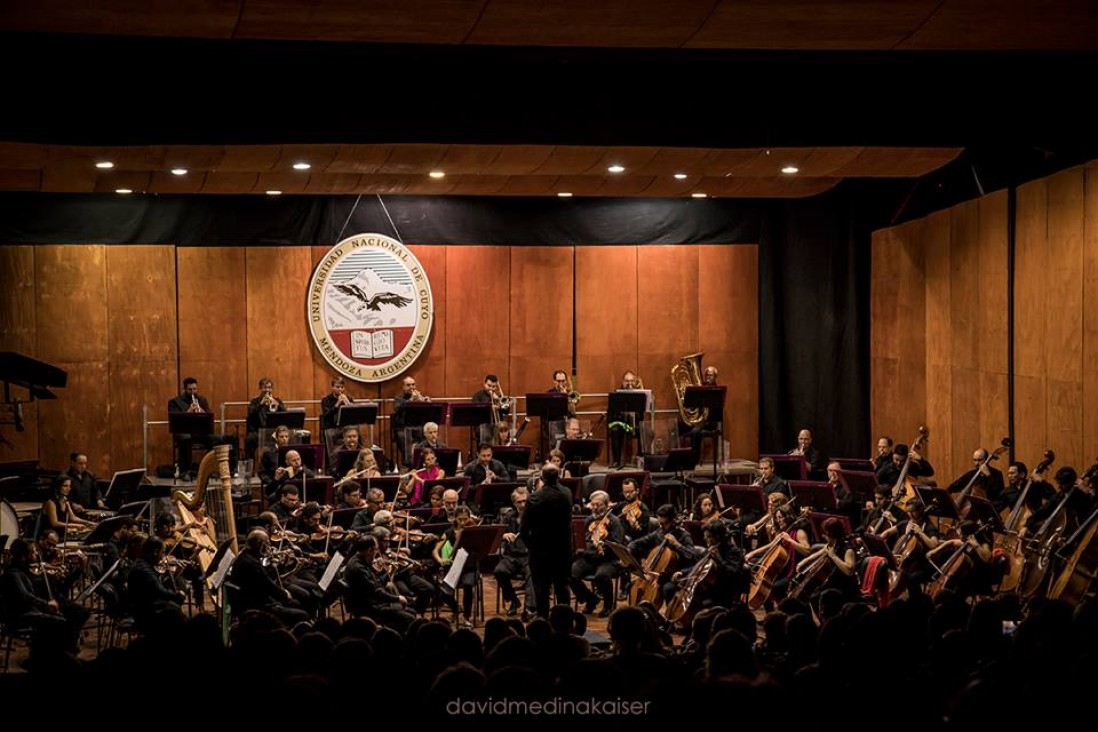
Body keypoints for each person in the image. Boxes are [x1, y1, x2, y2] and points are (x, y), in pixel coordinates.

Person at [1, 538, 90, 657]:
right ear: (23, 557)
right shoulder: (14, 574)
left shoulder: (26, 570)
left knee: (72, 615)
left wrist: (74, 571)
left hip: (33, 609)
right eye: (33, 552)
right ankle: (55, 654)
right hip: (21, 614)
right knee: (60, 622)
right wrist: (46, 604)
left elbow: (58, 586)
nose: (37, 554)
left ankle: (61, 651)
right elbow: (25, 596)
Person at [520, 462, 573, 618]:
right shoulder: (567, 493)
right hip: (563, 551)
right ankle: (564, 621)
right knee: (562, 588)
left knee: (541, 590)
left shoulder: (535, 498)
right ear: (558, 476)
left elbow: (523, 529)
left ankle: (543, 622)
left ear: (542, 478)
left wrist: (531, 547)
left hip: (540, 553)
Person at [228, 529, 312, 626]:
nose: (269, 548)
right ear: (260, 544)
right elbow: (270, 587)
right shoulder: (253, 565)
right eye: (267, 544)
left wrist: (279, 566)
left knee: (296, 602)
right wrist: (285, 594)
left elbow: (264, 580)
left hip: (250, 602)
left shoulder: (243, 556)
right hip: (258, 608)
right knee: (302, 614)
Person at [628, 503, 696, 606]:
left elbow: (692, 556)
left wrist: (677, 545)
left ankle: (669, 617)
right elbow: (636, 543)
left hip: (675, 575)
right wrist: (630, 549)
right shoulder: (659, 533)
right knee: (632, 584)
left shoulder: (684, 536)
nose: (661, 527)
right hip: (656, 575)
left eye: (664, 524)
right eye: (660, 523)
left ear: (673, 521)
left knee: (667, 588)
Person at [343, 535, 415, 631]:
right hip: (367, 607)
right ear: (369, 550)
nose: (377, 553)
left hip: (372, 601)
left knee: (411, 611)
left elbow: (376, 583)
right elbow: (376, 592)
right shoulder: (358, 568)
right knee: (409, 618)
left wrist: (390, 572)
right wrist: (397, 598)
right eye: (376, 549)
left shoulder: (361, 561)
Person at [571, 490, 624, 617]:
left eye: (598, 505)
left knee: (602, 575)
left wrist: (604, 545)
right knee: (571, 574)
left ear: (606, 505)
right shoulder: (589, 520)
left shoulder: (614, 521)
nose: (595, 508)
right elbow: (581, 539)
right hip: (589, 557)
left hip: (608, 559)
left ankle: (608, 606)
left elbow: (617, 545)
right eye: (593, 504)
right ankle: (591, 599)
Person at [167, 376, 235, 476]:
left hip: (200, 432)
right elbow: (176, 420)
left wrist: (201, 411)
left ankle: (214, 469)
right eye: (190, 390)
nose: (193, 392)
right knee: (185, 439)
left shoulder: (202, 400)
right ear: (184, 390)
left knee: (220, 439)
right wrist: (189, 411)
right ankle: (185, 471)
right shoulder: (174, 402)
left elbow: (208, 416)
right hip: (184, 433)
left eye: (195, 389)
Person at [432, 505, 480, 628]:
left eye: (465, 519)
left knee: (468, 585)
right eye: (460, 519)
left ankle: (466, 617)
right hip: (454, 568)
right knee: (443, 592)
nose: (463, 522)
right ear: (455, 518)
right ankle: (456, 609)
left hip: (470, 567)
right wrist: (440, 559)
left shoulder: (474, 531)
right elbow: (436, 550)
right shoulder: (448, 532)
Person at [125, 535, 187, 629]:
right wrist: (177, 594)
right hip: (144, 613)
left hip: (145, 606)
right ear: (155, 552)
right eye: (162, 553)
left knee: (175, 610)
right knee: (176, 615)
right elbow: (160, 590)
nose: (163, 557)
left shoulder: (142, 563)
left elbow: (156, 587)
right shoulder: (143, 568)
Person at [494, 487, 533, 619]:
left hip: (530, 556)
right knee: (499, 571)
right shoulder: (509, 516)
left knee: (532, 573)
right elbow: (497, 534)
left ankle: (529, 608)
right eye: (519, 502)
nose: (522, 505)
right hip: (512, 556)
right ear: (514, 503)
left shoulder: (535, 515)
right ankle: (513, 600)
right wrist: (504, 535)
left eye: (525, 501)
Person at [608, 370, 645, 469]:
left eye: (632, 381)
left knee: (646, 430)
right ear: (622, 382)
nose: (629, 383)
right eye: (627, 381)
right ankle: (617, 460)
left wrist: (642, 391)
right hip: (621, 423)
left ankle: (641, 456)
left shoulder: (639, 394)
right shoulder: (617, 394)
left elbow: (642, 414)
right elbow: (613, 413)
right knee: (615, 430)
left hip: (635, 423)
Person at [245, 377, 286, 462]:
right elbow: (250, 413)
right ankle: (249, 466)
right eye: (265, 387)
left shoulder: (277, 400)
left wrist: (275, 403)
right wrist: (260, 404)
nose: (267, 390)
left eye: (269, 388)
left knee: (284, 437)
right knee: (249, 440)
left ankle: (281, 462)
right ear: (260, 388)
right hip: (258, 431)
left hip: (273, 431)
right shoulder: (255, 402)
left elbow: (285, 412)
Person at [392, 375, 429, 469]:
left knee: (427, 438)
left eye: (413, 385)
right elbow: (397, 409)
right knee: (405, 440)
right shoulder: (398, 398)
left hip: (417, 426)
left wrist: (425, 402)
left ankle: (422, 463)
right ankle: (408, 465)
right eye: (408, 385)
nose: (412, 387)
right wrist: (410, 401)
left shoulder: (418, 397)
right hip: (402, 427)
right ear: (403, 387)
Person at [472, 373, 510, 447]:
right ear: (484, 384)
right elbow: (476, 412)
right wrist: (490, 406)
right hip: (482, 426)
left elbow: (507, 410)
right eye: (489, 385)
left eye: (494, 386)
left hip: (498, 426)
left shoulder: (498, 396)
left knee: (504, 431)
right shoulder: (478, 395)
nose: (491, 388)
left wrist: (499, 403)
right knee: (489, 432)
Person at [320, 376, 353, 456]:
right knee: (329, 433)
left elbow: (353, 414)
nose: (340, 389)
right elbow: (327, 415)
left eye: (342, 387)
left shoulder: (348, 398)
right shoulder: (326, 400)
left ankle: (353, 454)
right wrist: (337, 404)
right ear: (332, 388)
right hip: (331, 427)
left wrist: (348, 404)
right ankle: (331, 459)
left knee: (355, 431)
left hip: (344, 427)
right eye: (337, 387)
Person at [258, 424, 292, 490]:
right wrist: (272, 483)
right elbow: (262, 473)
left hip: (290, 484)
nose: (284, 439)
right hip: (275, 485)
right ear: (276, 438)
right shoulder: (268, 453)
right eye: (281, 437)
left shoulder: (292, 452)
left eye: (286, 436)